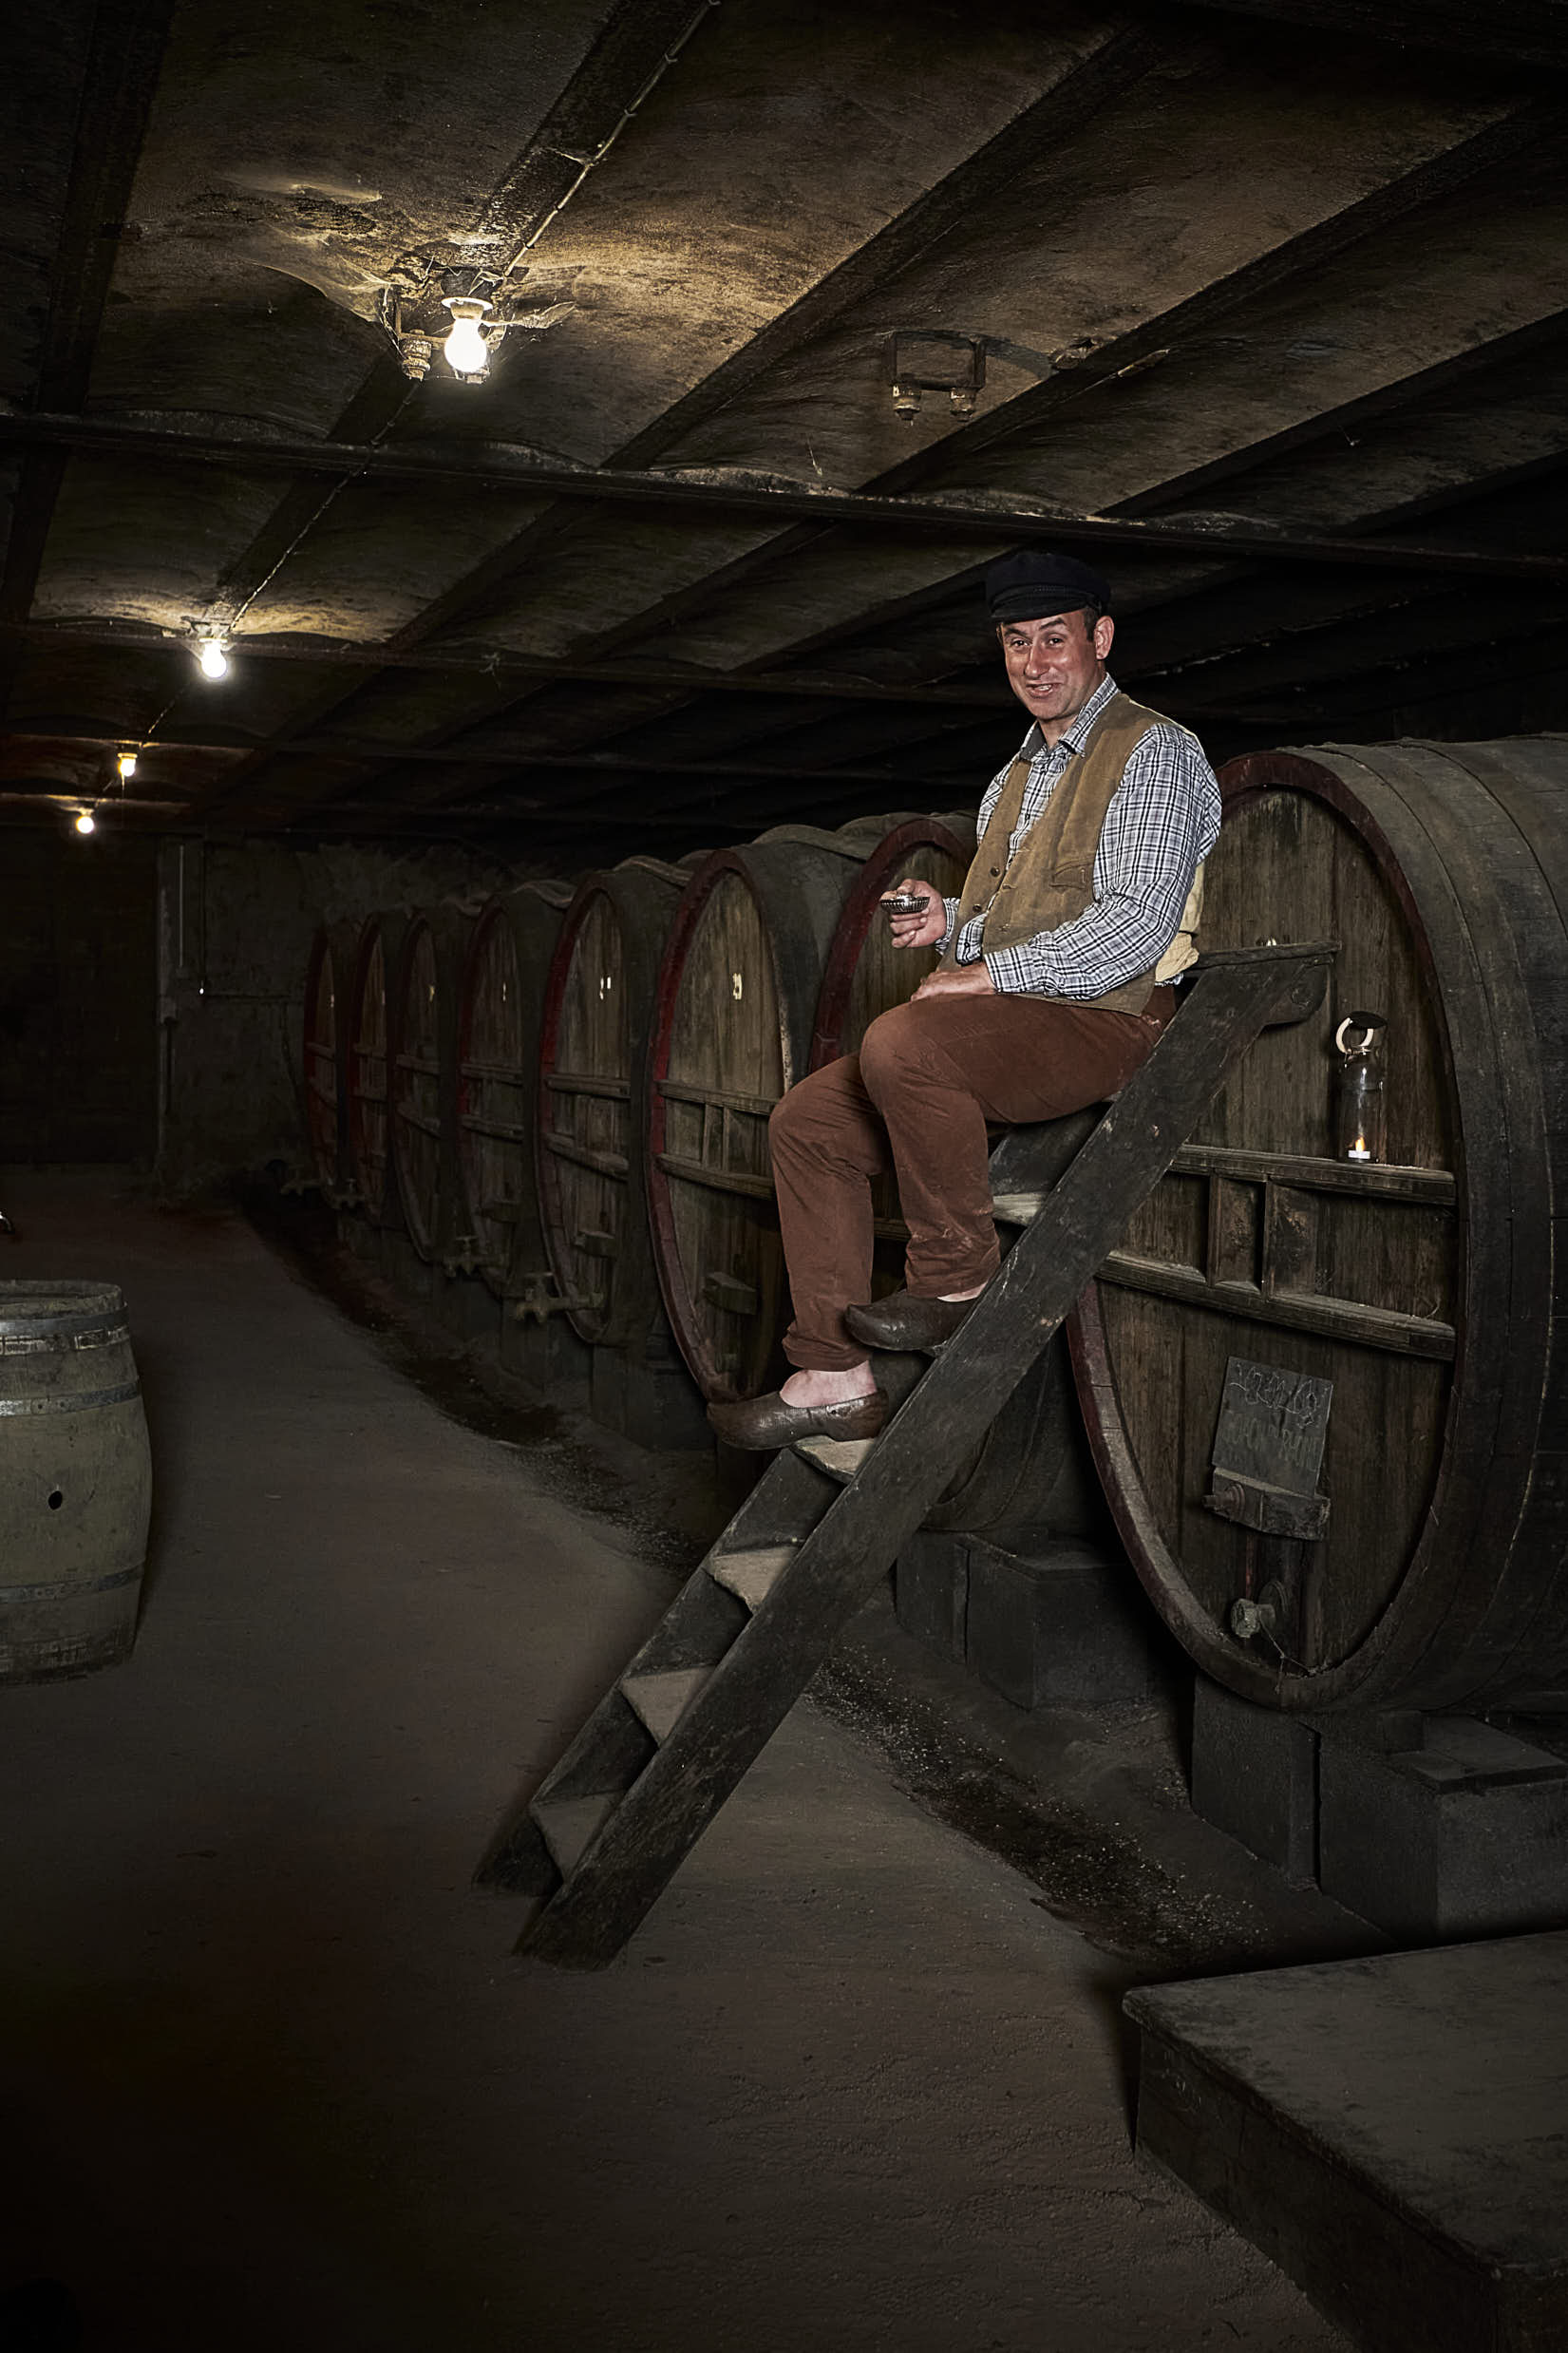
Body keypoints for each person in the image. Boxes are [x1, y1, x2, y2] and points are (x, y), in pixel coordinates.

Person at [707, 549, 1221, 1451]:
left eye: (1054, 639)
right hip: (1032, 1013)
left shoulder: (1152, 751)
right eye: (1017, 642)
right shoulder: (1015, 776)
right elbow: (1022, 916)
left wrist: (985, 974)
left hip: (1115, 1016)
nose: (1035, 662)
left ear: (1100, 638)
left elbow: (1134, 929)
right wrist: (951, 921)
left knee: (905, 1041)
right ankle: (832, 1373)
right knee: (807, 1124)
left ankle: (955, 1274)